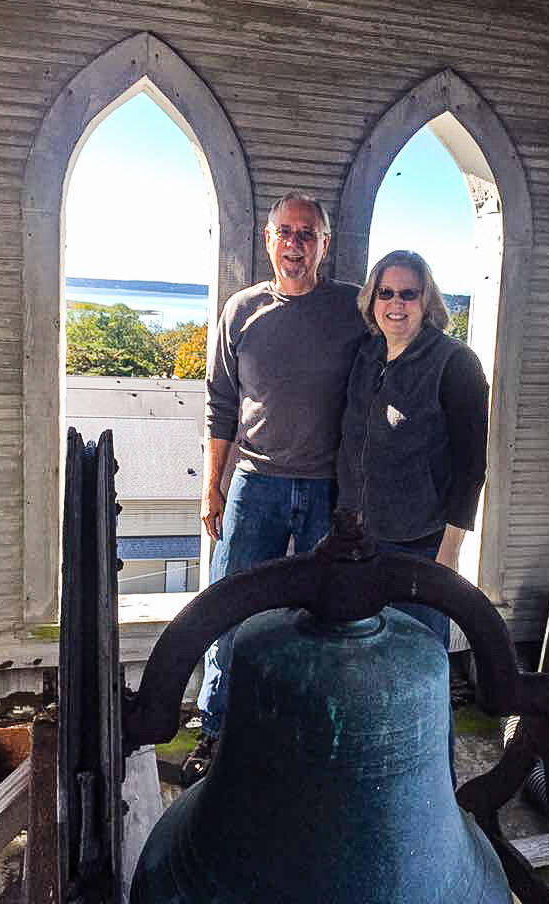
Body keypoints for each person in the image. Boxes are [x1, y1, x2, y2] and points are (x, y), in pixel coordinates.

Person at [181, 191, 366, 786]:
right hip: (254, 485)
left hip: (326, 492)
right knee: (229, 609)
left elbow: (392, 365)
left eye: (307, 234)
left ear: (325, 245)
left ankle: (310, 731)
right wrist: (213, 487)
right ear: (268, 239)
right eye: (285, 232)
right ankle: (216, 728)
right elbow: (220, 404)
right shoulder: (241, 311)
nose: (295, 244)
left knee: (324, 616)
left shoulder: (353, 310)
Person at [337, 249, 489, 783]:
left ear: (428, 302)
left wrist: (448, 554)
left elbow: (471, 468)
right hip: (359, 543)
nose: (396, 304)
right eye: (386, 293)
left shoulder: (455, 364)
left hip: (420, 548)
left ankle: (433, 789)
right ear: (371, 299)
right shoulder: (367, 357)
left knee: (421, 674)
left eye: (409, 293)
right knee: (365, 669)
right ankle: (376, 779)